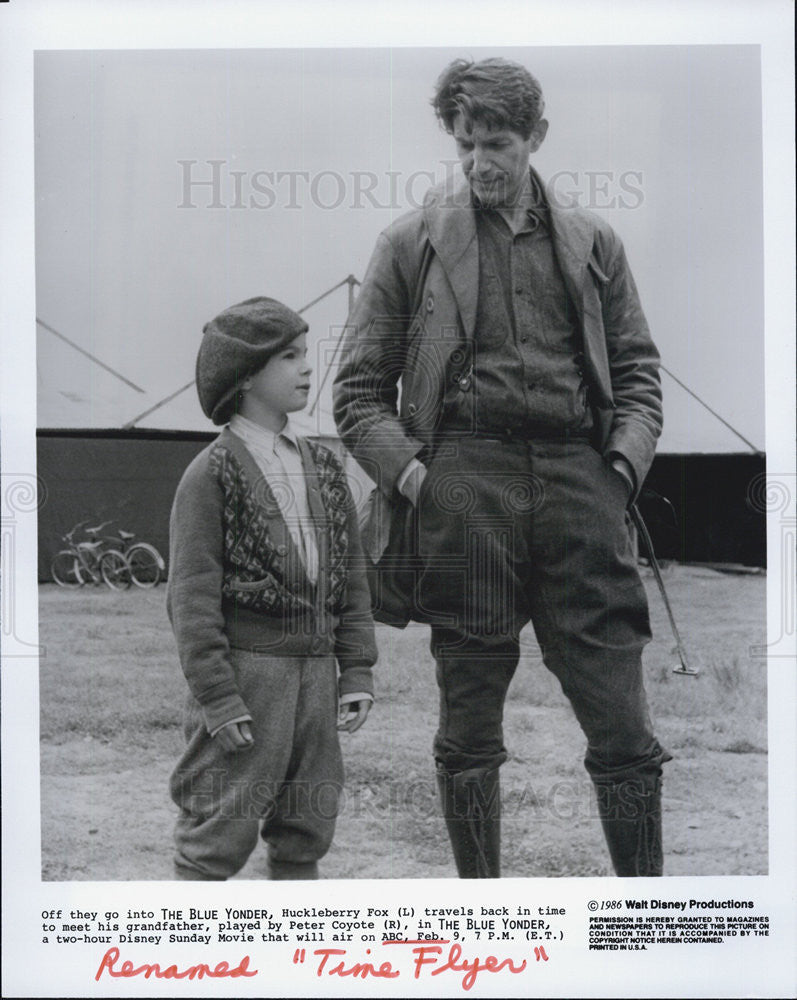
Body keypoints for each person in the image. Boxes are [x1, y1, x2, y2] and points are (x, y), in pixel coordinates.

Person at [333, 58, 670, 878]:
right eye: (466, 144)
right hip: (463, 491)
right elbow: (355, 396)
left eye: (499, 143)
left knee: (623, 729)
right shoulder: (410, 244)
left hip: (578, 486)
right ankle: (482, 915)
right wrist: (421, 482)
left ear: (536, 139)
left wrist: (616, 474)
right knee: (468, 726)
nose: (480, 162)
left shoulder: (594, 242)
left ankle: (645, 919)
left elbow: (637, 376)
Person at [168, 296, 376, 880]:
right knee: (216, 832)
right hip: (249, 680)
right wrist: (218, 696)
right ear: (246, 375)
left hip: (318, 681)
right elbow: (191, 599)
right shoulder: (210, 473)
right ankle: (189, 962)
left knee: (304, 832)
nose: (307, 367)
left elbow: (352, 579)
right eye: (289, 356)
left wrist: (355, 670)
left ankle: (292, 958)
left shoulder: (324, 465)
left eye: (306, 353)